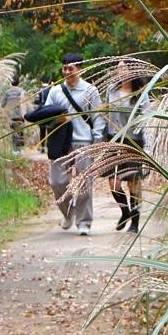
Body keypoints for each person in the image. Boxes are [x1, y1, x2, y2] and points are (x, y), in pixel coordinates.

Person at [44, 52, 105, 236]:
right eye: (64, 68)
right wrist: (53, 121)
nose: (67, 72)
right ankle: (68, 212)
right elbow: (45, 114)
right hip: (60, 142)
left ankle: (84, 221)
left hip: (83, 141)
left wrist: (97, 140)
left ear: (80, 69)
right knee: (57, 181)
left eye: (71, 68)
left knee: (84, 183)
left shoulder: (90, 91)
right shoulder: (55, 91)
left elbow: (98, 117)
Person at [102, 61, 149, 233]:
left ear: (133, 71)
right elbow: (107, 112)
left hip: (133, 141)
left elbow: (146, 118)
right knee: (114, 183)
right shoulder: (111, 90)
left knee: (133, 184)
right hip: (114, 139)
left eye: (124, 68)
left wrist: (147, 146)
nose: (120, 71)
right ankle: (125, 211)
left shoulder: (141, 93)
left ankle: (135, 222)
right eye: (119, 68)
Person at [1, 74, 25, 150]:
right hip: (20, 115)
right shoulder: (22, 92)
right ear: (19, 82)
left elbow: (2, 104)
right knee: (20, 131)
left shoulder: (7, 92)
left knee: (13, 132)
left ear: (11, 83)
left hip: (10, 115)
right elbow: (25, 103)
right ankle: (20, 149)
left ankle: (14, 149)